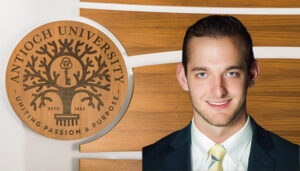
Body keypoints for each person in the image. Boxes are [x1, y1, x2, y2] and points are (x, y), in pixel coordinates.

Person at [142, 15, 299, 171]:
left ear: (252, 74)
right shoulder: (148, 161)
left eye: (231, 73)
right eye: (202, 74)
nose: (218, 91)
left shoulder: (294, 161)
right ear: (183, 78)